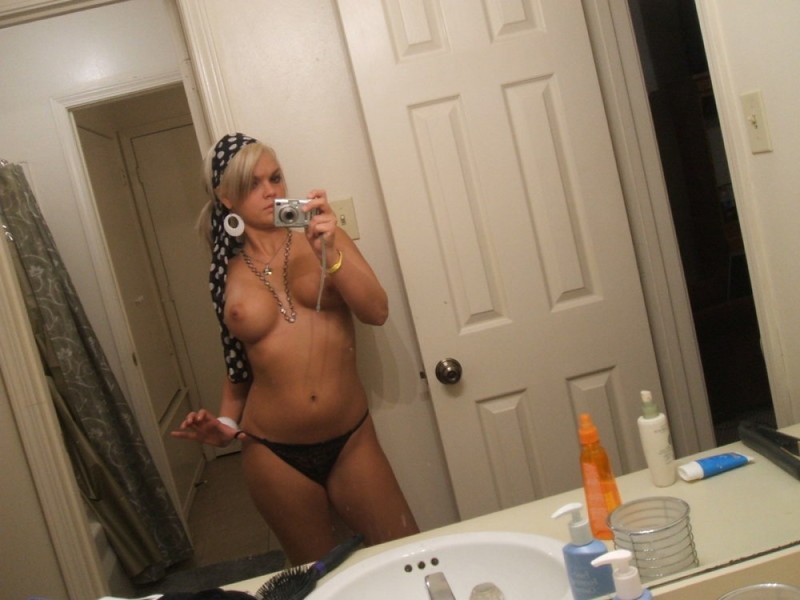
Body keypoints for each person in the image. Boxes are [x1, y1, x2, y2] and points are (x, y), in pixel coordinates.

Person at [171, 133, 418, 564]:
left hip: (352, 440)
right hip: (273, 453)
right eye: (253, 184)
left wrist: (330, 254)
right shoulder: (224, 273)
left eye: (275, 177)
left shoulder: (322, 237)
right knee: (318, 580)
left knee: (407, 559)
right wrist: (225, 422)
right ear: (226, 197)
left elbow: (376, 311)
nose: (270, 191)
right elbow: (238, 365)